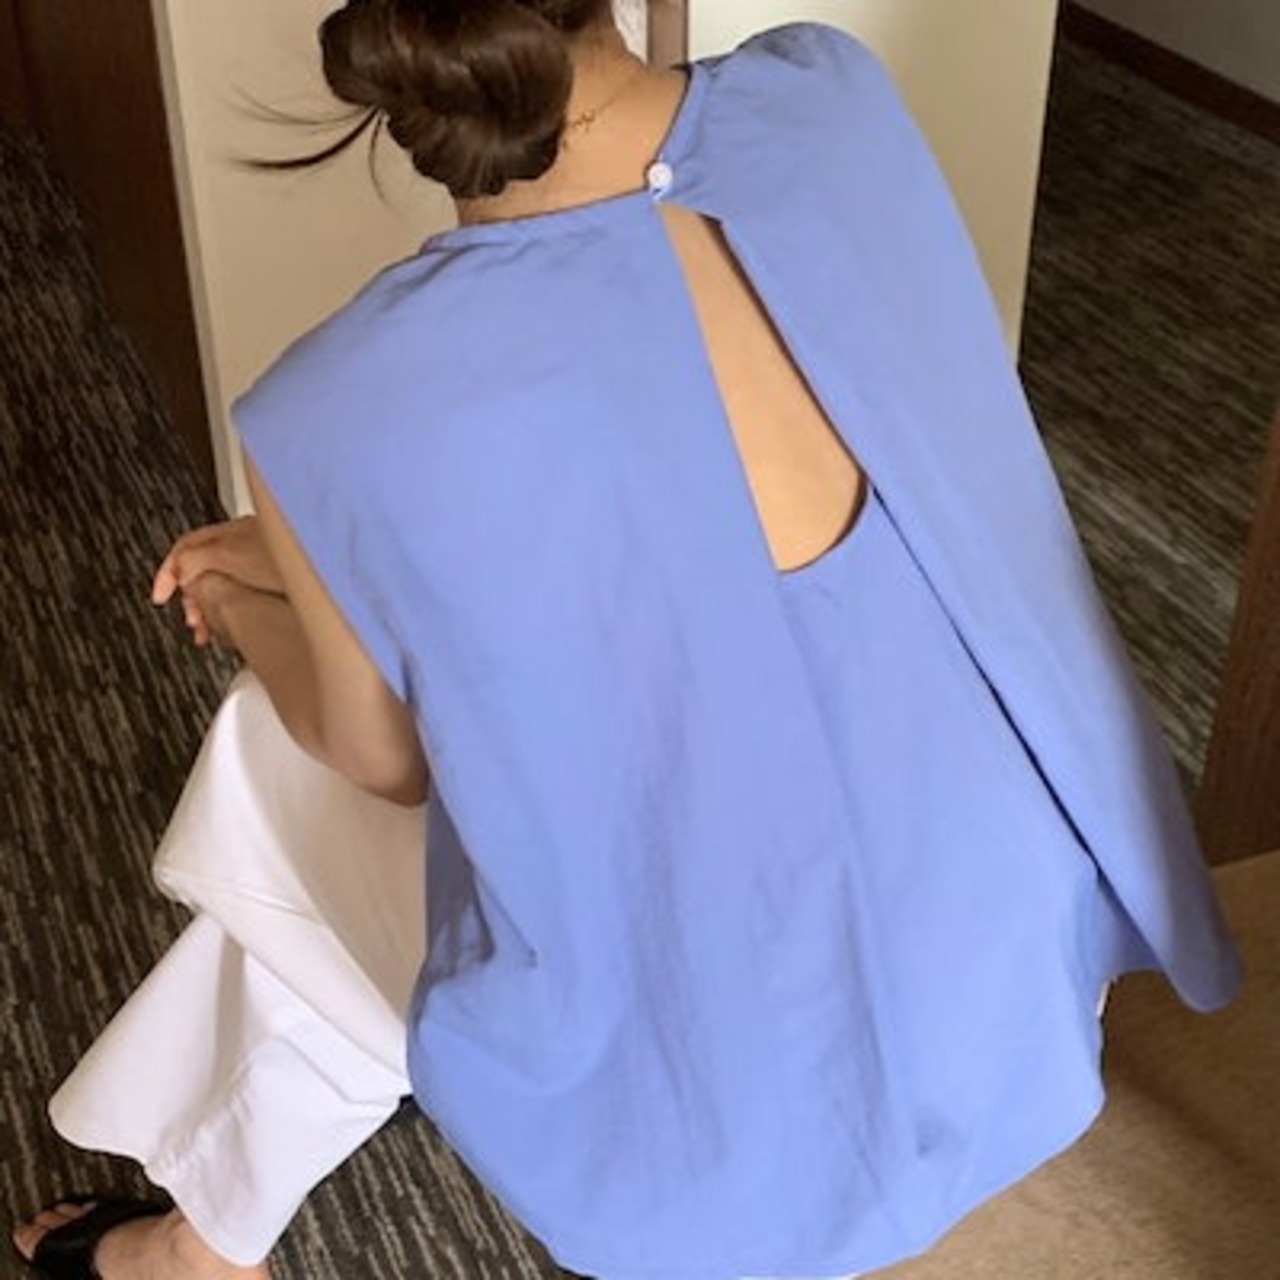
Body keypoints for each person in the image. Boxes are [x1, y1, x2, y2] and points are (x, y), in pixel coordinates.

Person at [13, 2, 1242, 1279]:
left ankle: (201, 1243)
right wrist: (326, 551)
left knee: (274, 764)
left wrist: (251, 606)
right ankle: (200, 1238)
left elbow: (381, 757)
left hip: (743, 1091)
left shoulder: (334, 398)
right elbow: (691, 494)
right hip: (1018, 938)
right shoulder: (827, 93)